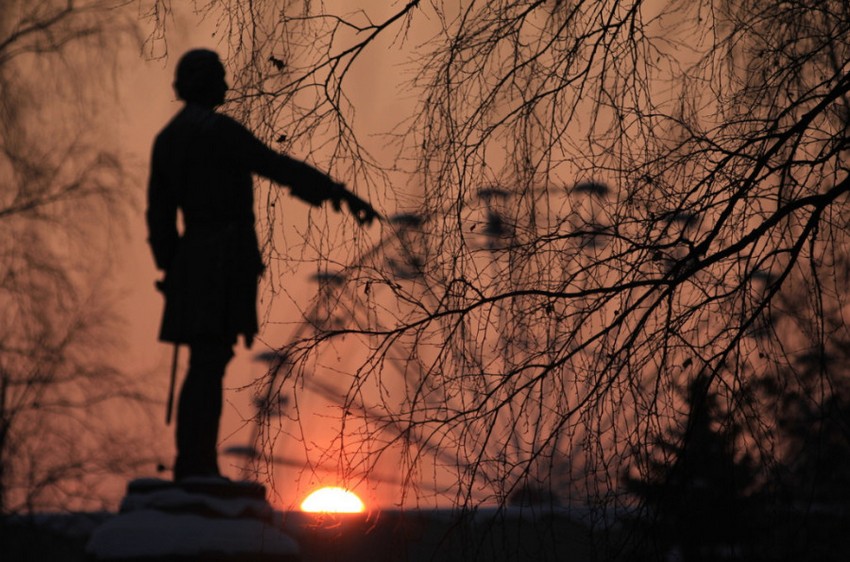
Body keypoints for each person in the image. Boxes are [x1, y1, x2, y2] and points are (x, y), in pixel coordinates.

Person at [146, 49, 378, 481]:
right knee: (210, 361)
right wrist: (338, 193)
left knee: (204, 361)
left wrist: (170, 269)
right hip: (223, 257)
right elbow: (275, 165)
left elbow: (158, 216)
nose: (227, 88)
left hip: (191, 260)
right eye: (219, 79)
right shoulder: (218, 132)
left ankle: (192, 460)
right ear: (204, 83)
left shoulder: (168, 139)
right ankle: (197, 465)